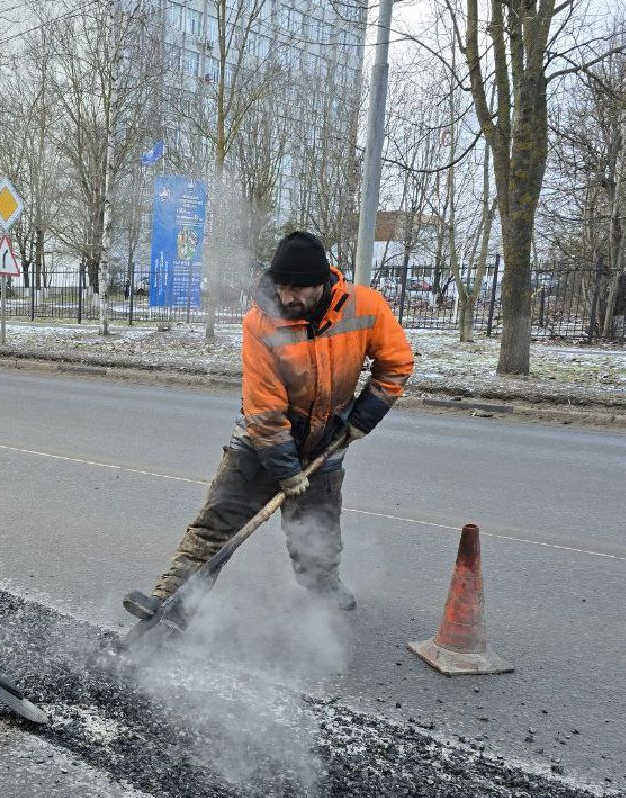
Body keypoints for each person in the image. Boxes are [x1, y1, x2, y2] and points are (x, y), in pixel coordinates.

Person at [123, 231, 413, 621]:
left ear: (322, 282)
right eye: (282, 287)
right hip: (261, 441)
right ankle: (172, 600)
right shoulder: (261, 322)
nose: (288, 298)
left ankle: (323, 589)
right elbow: (264, 409)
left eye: (299, 289)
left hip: (327, 438)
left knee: (318, 530)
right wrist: (286, 470)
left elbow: (395, 363)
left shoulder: (366, 307)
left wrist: (364, 416)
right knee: (218, 523)